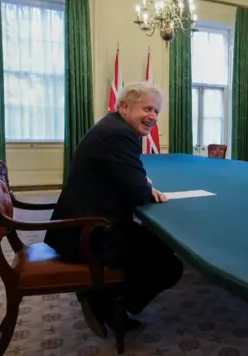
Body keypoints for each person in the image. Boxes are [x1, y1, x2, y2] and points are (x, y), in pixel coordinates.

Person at [44, 81, 183, 338]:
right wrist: (144, 185)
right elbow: (138, 193)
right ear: (124, 107)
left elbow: (131, 181)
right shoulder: (118, 134)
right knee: (169, 265)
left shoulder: (113, 127)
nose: (152, 116)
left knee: (159, 243)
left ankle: (107, 298)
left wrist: (141, 183)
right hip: (88, 232)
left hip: (83, 221)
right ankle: (104, 301)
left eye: (156, 111)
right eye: (147, 109)